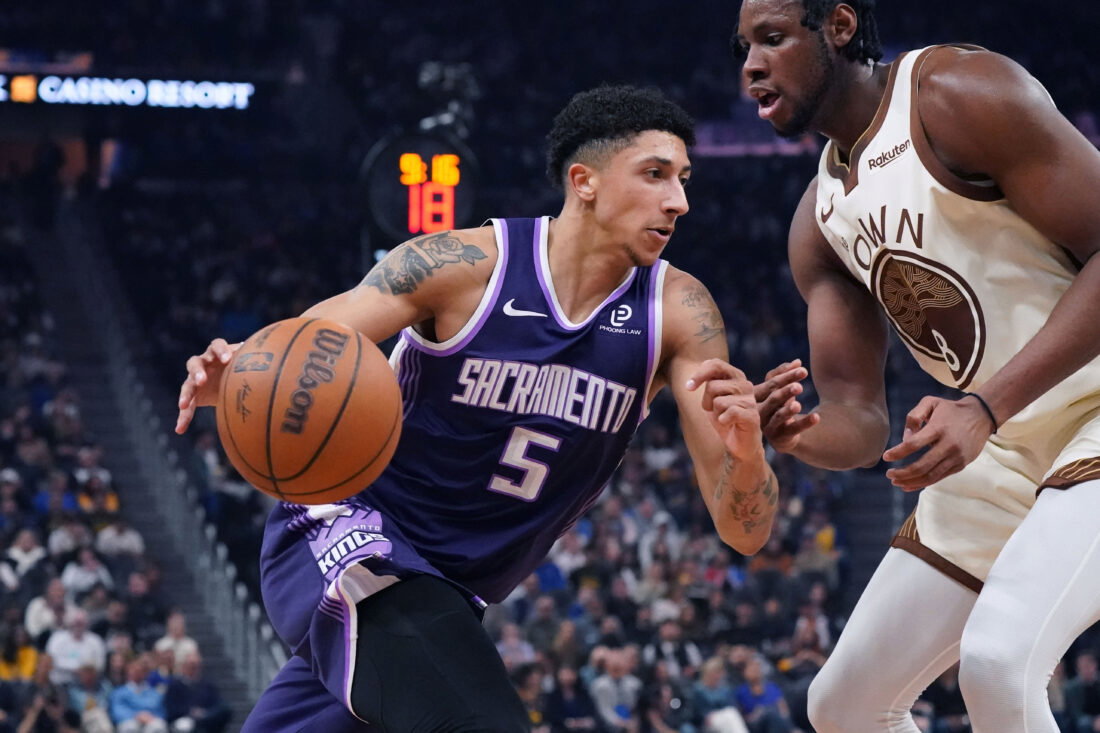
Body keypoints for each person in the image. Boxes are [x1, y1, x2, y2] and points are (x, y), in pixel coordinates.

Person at [176, 85, 781, 731]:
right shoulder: (461, 266)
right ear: (585, 181)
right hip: (346, 534)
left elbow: (744, 528)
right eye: (656, 174)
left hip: (449, 594)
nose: (678, 200)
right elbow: (312, 341)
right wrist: (240, 369)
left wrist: (746, 454)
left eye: (684, 179)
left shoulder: (678, 315)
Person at [734, 1, 1100, 731]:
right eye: (743, 46)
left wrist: (985, 407)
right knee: (843, 705)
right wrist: (800, 432)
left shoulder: (958, 94)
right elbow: (860, 419)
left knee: (997, 663)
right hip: (1000, 446)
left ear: (838, 26)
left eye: (772, 39)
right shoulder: (819, 220)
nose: (750, 66)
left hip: (1088, 413)